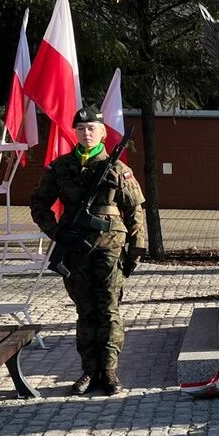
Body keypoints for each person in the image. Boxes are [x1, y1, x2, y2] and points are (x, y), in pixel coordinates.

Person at [30, 105, 147, 396]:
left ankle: (109, 371)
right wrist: (57, 232)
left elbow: (135, 210)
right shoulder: (60, 167)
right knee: (85, 310)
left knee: (108, 309)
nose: (86, 133)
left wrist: (136, 249)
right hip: (74, 249)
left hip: (110, 247)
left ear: (103, 133)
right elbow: (39, 204)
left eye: (91, 128)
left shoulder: (117, 169)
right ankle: (88, 371)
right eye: (81, 129)